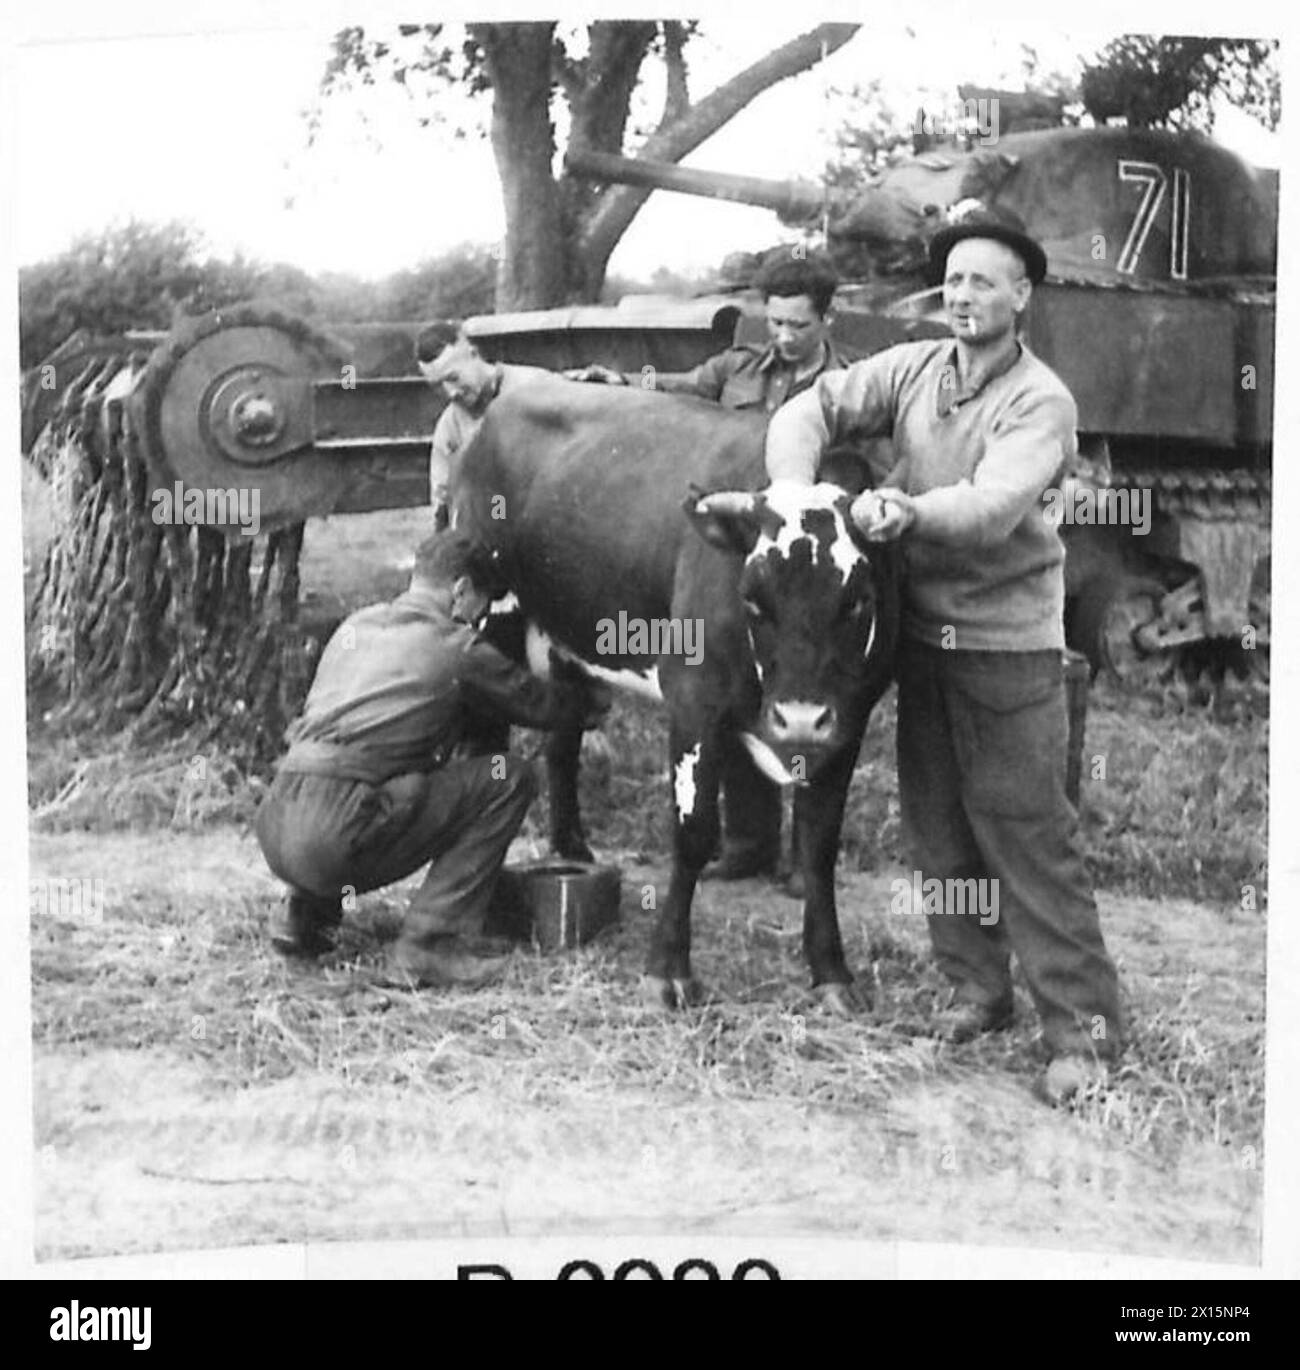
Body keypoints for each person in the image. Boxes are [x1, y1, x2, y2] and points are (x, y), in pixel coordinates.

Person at [761, 202, 1124, 1106]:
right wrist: (795, 493)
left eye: (983, 281)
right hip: (921, 641)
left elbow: (995, 507)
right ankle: (977, 989)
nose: (963, 296)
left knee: (1025, 833)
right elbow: (813, 405)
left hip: (1005, 649)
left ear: (1021, 295)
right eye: (954, 279)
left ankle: (1082, 1029)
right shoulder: (918, 367)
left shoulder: (1041, 399)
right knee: (940, 835)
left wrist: (910, 512)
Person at [571, 251, 851, 888]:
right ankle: (751, 844)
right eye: (775, 322)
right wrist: (621, 386)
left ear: (826, 320)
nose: (783, 336)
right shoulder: (739, 369)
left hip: (806, 567)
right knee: (733, 692)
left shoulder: (848, 385)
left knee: (808, 692)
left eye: (798, 326)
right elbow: (682, 391)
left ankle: (809, 858)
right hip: (736, 552)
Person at [255, 530, 609, 988]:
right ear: (460, 591)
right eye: (481, 606)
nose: (480, 619)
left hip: (277, 823)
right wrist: (593, 700)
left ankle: (302, 914)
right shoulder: (458, 647)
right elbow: (540, 706)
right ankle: (430, 944)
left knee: (370, 765)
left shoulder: (356, 626)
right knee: (509, 779)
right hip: (332, 839)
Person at [416, 324, 552, 530]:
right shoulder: (450, 426)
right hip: (496, 528)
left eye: (453, 378)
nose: (450, 393)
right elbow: (441, 502)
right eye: (437, 386)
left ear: (473, 355)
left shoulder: (537, 387)